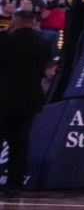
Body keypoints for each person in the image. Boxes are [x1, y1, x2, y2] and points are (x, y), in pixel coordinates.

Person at [0, 11, 52, 196]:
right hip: (29, 99)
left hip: (3, 97)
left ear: (15, 22)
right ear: (33, 22)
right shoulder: (44, 44)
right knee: (20, 144)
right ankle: (15, 185)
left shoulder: (5, 41)